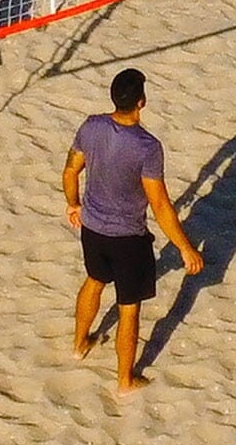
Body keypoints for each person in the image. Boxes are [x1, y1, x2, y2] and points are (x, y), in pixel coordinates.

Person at [64, 67, 203, 397]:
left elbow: (70, 170)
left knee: (94, 281)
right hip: (128, 240)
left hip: (93, 230)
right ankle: (125, 380)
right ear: (142, 101)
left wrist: (73, 204)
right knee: (129, 309)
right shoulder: (147, 147)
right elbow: (160, 205)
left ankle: (80, 344)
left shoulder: (91, 126)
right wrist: (185, 247)